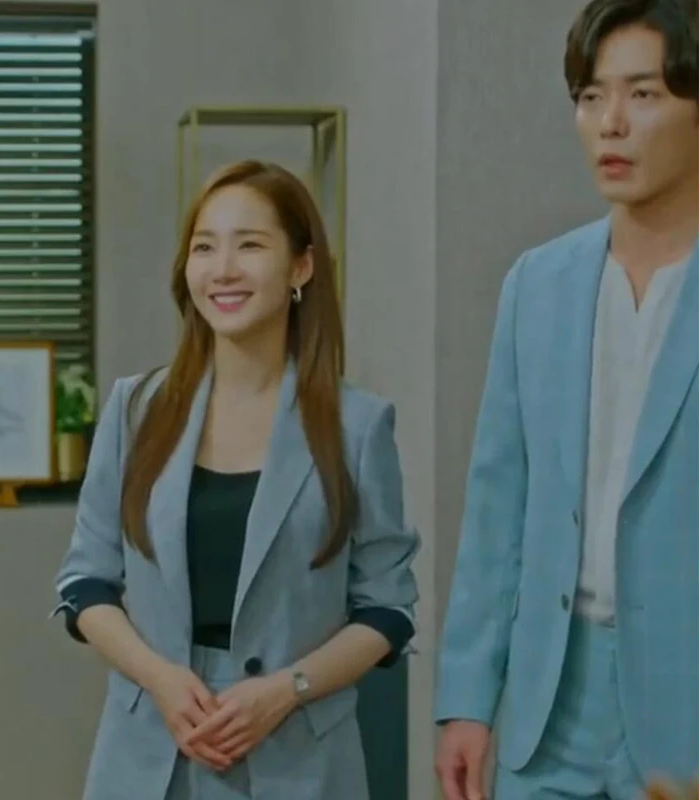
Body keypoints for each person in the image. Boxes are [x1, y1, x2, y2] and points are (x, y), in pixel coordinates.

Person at [51, 160, 420, 800]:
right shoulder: (136, 409)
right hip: (152, 755)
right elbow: (85, 583)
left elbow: (387, 609)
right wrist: (160, 679)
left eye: (249, 245)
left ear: (301, 267)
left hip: (299, 759)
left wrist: (286, 691)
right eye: (204, 247)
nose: (222, 269)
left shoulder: (357, 425)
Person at [434, 0, 698, 798]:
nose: (610, 123)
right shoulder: (538, 285)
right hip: (550, 703)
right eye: (591, 96)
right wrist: (467, 699)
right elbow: (498, 510)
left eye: (643, 94)